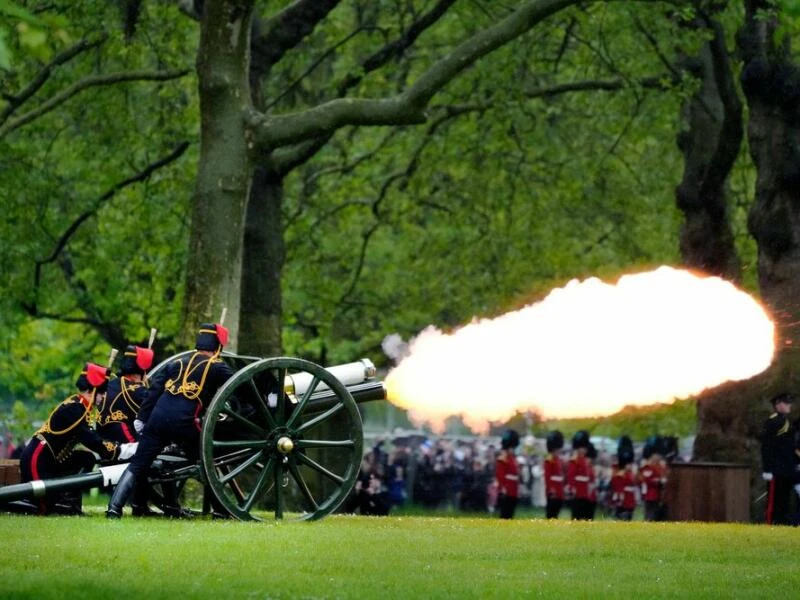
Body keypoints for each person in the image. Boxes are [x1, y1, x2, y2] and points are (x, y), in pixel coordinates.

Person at [106, 322, 235, 518]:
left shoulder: (177, 363)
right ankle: (220, 510)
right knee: (206, 461)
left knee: (137, 465)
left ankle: (114, 509)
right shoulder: (217, 367)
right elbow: (240, 386)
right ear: (218, 347)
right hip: (186, 423)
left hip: (157, 420)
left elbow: (154, 392)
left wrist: (142, 419)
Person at [20, 362, 137, 515]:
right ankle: (63, 503)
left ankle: (71, 501)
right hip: (37, 459)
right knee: (44, 508)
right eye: (101, 393)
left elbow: (93, 437)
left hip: (52, 460)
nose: (103, 397)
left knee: (86, 458)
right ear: (93, 389)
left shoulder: (81, 406)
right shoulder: (75, 409)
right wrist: (122, 450)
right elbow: (92, 441)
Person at [760, 392, 798, 525]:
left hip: (787, 468)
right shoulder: (773, 421)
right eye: (786, 402)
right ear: (778, 405)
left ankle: (782, 524)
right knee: (774, 501)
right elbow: (767, 446)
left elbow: (790, 447)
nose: (789, 405)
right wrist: (767, 469)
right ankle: (771, 524)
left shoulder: (787, 421)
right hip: (776, 469)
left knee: (785, 500)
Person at [566, 430, 595, 520]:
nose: (583, 450)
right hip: (577, 490)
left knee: (585, 515)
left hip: (586, 491)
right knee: (576, 515)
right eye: (581, 448)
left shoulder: (586, 461)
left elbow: (590, 477)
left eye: (584, 448)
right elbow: (571, 475)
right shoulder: (574, 461)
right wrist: (572, 488)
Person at [639, 435, 668, 522]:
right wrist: (659, 481)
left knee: (656, 513)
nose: (658, 457)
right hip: (650, 494)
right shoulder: (647, 467)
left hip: (659, 494)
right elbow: (647, 480)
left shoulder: (661, 466)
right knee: (650, 513)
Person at [610, 435, 637, 521]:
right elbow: (615, 484)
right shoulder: (617, 470)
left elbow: (635, 482)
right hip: (622, 499)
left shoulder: (631, 472)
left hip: (630, 499)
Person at [495, 429, 520, 519]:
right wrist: (502, 487)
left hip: (513, 489)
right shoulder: (503, 458)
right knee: (505, 513)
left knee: (511, 512)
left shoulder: (512, 458)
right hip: (507, 489)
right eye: (511, 448)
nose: (512, 450)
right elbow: (500, 474)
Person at [543, 430, 565, 519]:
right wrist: (551, 489)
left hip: (559, 488)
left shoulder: (558, 460)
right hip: (553, 489)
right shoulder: (549, 459)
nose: (558, 450)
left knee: (556, 511)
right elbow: (547, 477)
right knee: (551, 512)